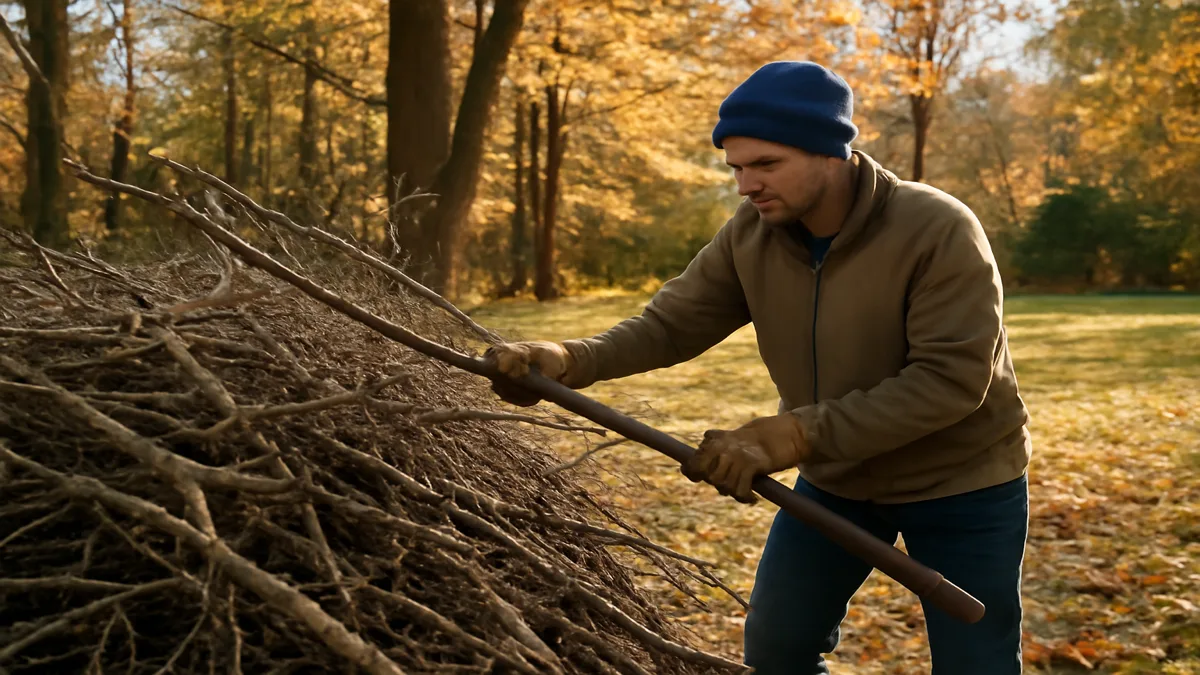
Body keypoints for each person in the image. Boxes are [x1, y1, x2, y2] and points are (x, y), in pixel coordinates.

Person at [486, 60, 1032, 674]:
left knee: (976, 665)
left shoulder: (936, 228)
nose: (746, 185)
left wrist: (792, 434)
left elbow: (950, 381)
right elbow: (670, 325)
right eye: (737, 168)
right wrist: (568, 358)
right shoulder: (752, 234)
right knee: (777, 650)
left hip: (963, 483)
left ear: (831, 152)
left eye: (766, 165)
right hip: (838, 483)